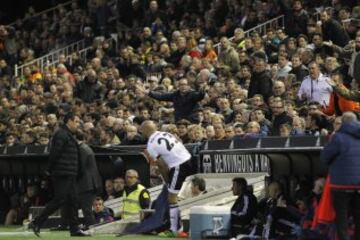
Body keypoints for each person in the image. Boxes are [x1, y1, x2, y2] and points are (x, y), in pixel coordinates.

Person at [28, 112, 89, 237]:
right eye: (76, 121)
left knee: (73, 200)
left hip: (69, 173)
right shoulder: (61, 134)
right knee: (59, 199)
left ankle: (74, 229)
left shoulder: (66, 134)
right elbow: (55, 154)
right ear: (69, 121)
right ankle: (37, 222)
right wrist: (49, 170)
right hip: (63, 173)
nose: (78, 124)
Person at [141, 120, 192, 237]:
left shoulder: (151, 144)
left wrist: (167, 181)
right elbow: (178, 142)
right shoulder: (166, 134)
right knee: (173, 196)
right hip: (189, 158)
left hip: (178, 165)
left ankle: (176, 230)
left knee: (171, 199)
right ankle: (175, 228)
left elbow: (162, 165)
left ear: (144, 131)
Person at [321, 112, 360, 240]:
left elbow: (325, 157)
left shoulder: (338, 137)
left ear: (343, 122)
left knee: (341, 219)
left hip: (341, 185)